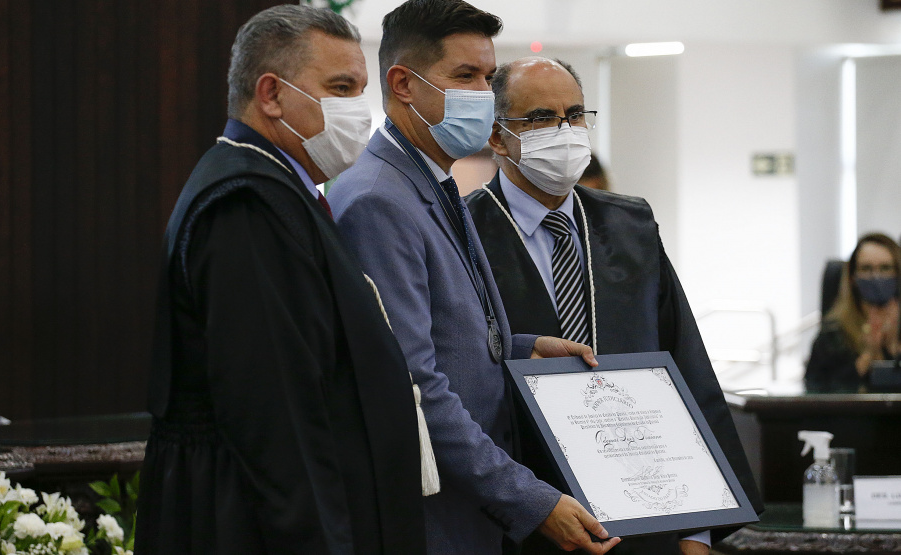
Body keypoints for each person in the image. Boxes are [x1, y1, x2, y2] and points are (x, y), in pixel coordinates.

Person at [327, 1, 621, 554]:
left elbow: (443, 333)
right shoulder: (378, 201)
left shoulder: (434, 181)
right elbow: (414, 389)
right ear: (403, 84)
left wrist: (520, 347)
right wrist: (531, 500)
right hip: (432, 525)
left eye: (487, 76)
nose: (484, 94)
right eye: (464, 76)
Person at [135, 6, 427, 553]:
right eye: (339, 88)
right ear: (271, 94)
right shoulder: (247, 207)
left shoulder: (283, 191)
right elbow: (278, 419)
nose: (356, 111)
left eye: (359, 91)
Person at [464, 57, 764, 554]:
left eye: (575, 114)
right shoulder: (465, 232)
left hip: (652, 517)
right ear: (497, 137)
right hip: (531, 521)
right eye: (540, 117)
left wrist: (699, 530)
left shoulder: (631, 226)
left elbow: (685, 362)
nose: (563, 131)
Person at [805, 233, 901, 392]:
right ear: (852, 277)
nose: (876, 277)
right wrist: (867, 358)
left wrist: (893, 351)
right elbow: (815, 391)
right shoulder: (833, 333)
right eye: (866, 268)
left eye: (885, 268)